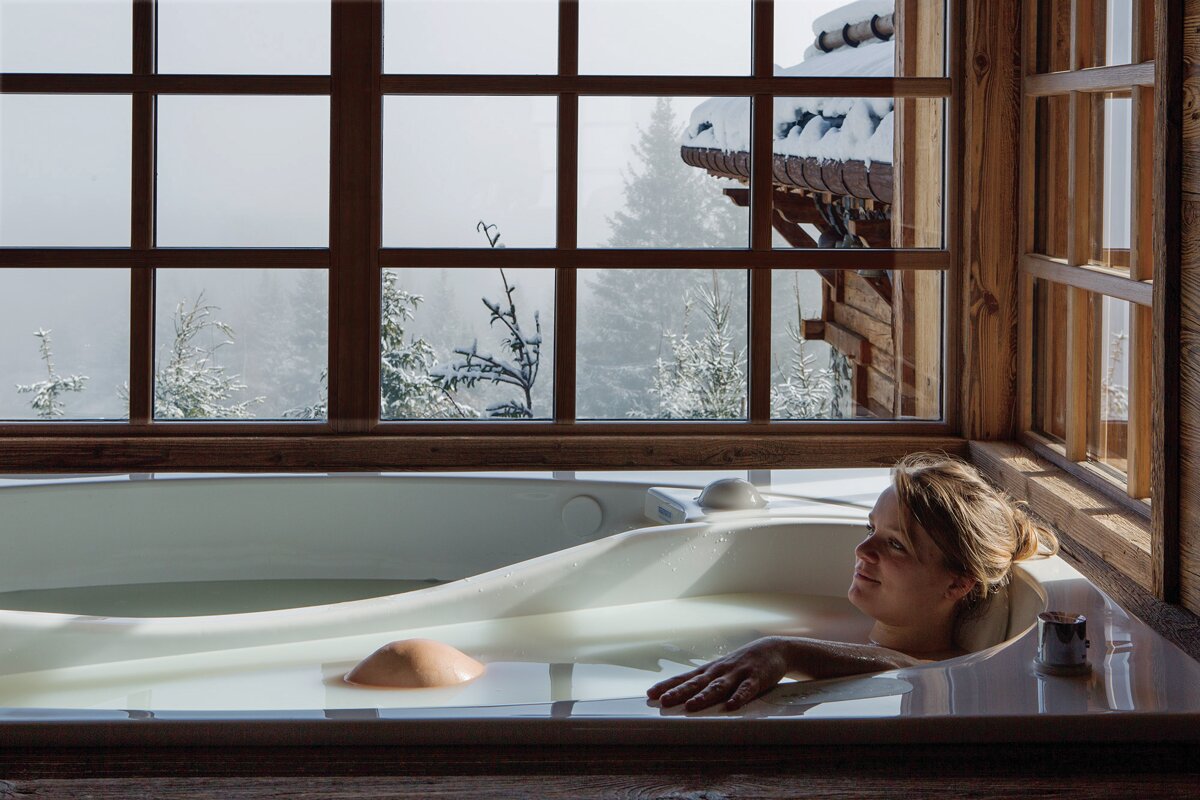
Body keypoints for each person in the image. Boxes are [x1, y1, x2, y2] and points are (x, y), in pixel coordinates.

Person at [647, 452, 1058, 713]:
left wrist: (782, 651)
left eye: (895, 545)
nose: (863, 550)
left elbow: (916, 670)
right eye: (870, 528)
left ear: (958, 585)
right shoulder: (833, 624)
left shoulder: (946, 671)